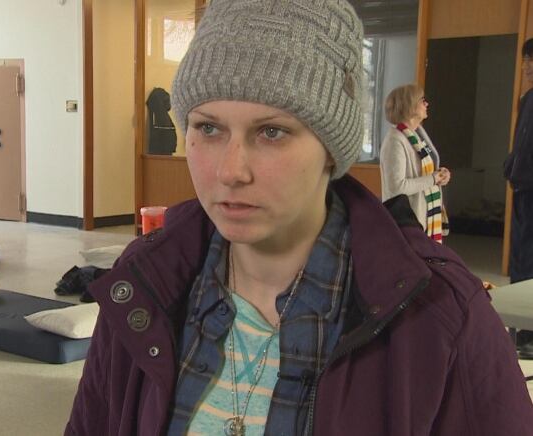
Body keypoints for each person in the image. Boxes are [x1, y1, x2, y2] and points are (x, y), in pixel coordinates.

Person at [66, 1, 533, 435]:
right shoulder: (145, 283)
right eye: (208, 128)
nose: (231, 171)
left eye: (272, 132)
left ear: (332, 149)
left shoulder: (442, 316)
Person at [380, 84, 451, 243]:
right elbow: (397, 187)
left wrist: (440, 174)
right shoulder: (395, 140)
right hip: (408, 223)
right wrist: (433, 179)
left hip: (423, 220)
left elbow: (423, 172)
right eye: (422, 100)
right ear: (409, 105)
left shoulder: (416, 135)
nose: (427, 104)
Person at [504, 38, 533, 358]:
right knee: (522, 255)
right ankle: (519, 329)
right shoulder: (527, 99)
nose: (525, 66)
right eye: (525, 59)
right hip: (523, 185)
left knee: (530, 256)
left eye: (530, 60)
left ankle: (529, 332)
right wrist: (510, 166)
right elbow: (520, 144)